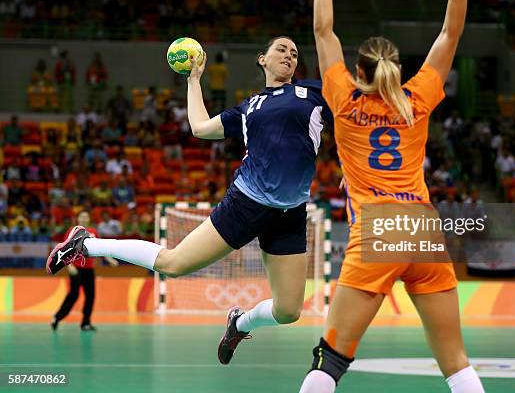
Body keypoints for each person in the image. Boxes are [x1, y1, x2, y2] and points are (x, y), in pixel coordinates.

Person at [47, 36, 332, 365]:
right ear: (262, 59)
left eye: (294, 53)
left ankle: (239, 323)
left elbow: (350, 113)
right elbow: (199, 127)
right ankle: (85, 244)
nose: (289, 56)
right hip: (246, 204)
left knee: (288, 311)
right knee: (173, 264)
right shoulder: (248, 108)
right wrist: (194, 79)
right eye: (281, 50)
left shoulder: (314, 94)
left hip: (290, 213)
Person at [299, 0, 486, 393]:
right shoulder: (416, 98)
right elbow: (450, 33)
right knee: (456, 362)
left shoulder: (342, 97)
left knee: (331, 358)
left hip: (378, 230)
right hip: (424, 229)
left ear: (358, 71)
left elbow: (323, 30)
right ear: (397, 69)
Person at [51, 211, 118, 331]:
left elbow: (100, 248)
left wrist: (109, 259)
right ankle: (57, 317)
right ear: (78, 219)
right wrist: (69, 266)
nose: (84, 218)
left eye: (86, 216)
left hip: (89, 269)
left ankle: (86, 323)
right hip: (76, 269)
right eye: (81, 216)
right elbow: (65, 249)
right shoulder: (73, 231)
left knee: (90, 296)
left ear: (88, 219)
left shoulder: (93, 231)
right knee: (74, 295)